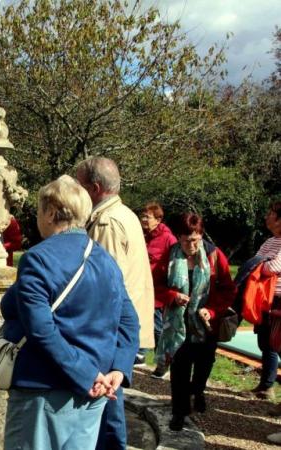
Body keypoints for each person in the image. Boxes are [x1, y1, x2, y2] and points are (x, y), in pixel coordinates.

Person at [1, 175, 139, 450]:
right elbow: (129, 320)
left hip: (45, 389)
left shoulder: (37, 258)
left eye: (40, 210)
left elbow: (41, 330)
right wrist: (118, 370)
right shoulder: (105, 260)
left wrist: (87, 374)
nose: (38, 217)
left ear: (51, 212)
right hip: (96, 391)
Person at [75, 156, 153, 450]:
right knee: (109, 402)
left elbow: (103, 285)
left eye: (80, 185)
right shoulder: (125, 214)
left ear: (94, 188)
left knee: (106, 405)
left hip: (109, 330)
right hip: (119, 329)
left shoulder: (106, 223)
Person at [155, 212, 235, 431]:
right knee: (179, 370)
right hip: (178, 325)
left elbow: (229, 289)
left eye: (196, 240)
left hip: (206, 326)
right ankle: (179, 413)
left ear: (201, 236)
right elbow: (156, 284)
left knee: (203, 367)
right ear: (178, 237)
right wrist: (172, 296)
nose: (191, 245)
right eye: (186, 240)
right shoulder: (169, 255)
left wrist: (212, 309)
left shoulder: (215, 255)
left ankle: (198, 391)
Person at [140, 202, 178, 379]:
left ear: (158, 219)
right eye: (143, 216)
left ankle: (162, 364)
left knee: (157, 328)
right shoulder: (142, 235)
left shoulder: (168, 239)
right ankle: (139, 354)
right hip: (142, 288)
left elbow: (175, 264)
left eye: (147, 217)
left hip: (159, 292)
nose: (143, 220)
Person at [249, 201, 281, 402]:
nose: (266, 217)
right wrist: (261, 264)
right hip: (264, 299)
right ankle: (266, 385)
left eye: (270, 213)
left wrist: (261, 264)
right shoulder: (270, 241)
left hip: (279, 300)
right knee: (264, 342)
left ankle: (268, 386)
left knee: (274, 344)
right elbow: (255, 262)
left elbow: (272, 267)